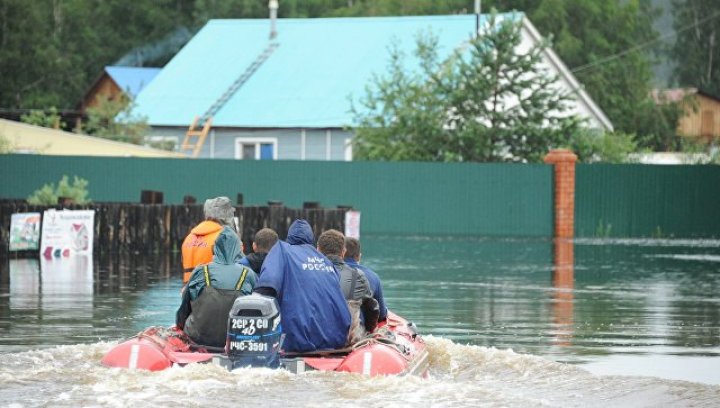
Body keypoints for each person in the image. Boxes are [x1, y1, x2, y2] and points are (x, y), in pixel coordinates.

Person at [253, 219, 351, 353]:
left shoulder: (282, 250)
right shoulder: (325, 261)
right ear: (311, 240)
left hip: (297, 341)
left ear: (289, 238)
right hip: (336, 341)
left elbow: (264, 290)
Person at [176, 226, 257, 347]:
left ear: (215, 249)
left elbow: (184, 308)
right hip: (235, 339)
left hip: (198, 338)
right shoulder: (248, 274)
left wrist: (179, 325)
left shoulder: (200, 271)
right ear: (237, 250)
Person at [317, 230, 379, 344]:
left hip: (314, 339)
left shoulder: (310, 275)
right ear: (343, 252)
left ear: (317, 250)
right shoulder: (357, 275)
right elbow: (372, 309)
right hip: (347, 341)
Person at [181, 196, 236, 284]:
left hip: (188, 290)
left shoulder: (189, 237)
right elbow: (238, 265)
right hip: (213, 290)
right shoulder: (224, 236)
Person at [344, 236, 388, 323]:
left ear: (341, 253)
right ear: (359, 257)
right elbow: (382, 314)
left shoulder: (331, 272)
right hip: (360, 330)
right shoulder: (373, 276)